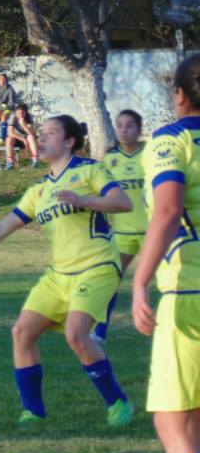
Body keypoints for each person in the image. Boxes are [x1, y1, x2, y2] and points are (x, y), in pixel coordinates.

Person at [0, 114, 135, 426]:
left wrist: (83, 200)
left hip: (96, 268)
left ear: (69, 141)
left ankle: (117, 401)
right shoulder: (38, 191)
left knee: (76, 336)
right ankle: (33, 412)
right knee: (22, 332)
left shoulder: (89, 170)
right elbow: (2, 226)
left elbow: (122, 203)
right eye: (41, 133)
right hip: (58, 275)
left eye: (51, 133)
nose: (41, 138)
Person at [131, 54, 200, 453]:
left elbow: (167, 211)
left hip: (190, 294)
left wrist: (139, 279)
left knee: (175, 424)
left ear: (179, 94)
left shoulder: (169, 140)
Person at [93, 109, 147, 342]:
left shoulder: (151, 155)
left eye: (129, 126)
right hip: (123, 234)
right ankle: (99, 331)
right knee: (110, 279)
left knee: (171, 279)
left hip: (152, 232)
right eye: (120, 126)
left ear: (139, 129)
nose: (124, 130)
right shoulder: (110, 159)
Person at [5, 103, 39, 169]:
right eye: (18, 113)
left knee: (31, 137)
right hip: (17, 138)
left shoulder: (30, 117)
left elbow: (31, 133)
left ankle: (35, 161)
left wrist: (23, 124)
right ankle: (10, 162)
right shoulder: (13, 117)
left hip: (28, 139)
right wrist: (23, 139)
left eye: (22, 113)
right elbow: (10, 132)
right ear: (16, 112)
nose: (20, 115)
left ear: (26, 113)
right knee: (9, 139)